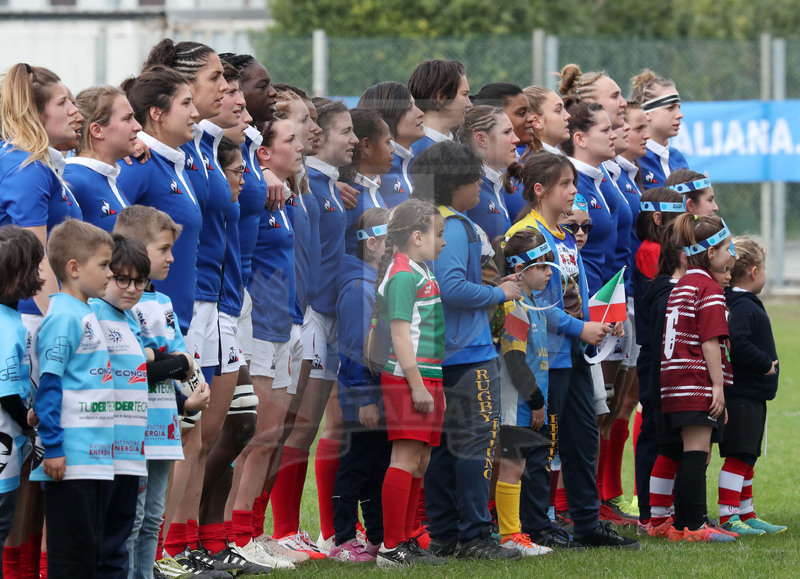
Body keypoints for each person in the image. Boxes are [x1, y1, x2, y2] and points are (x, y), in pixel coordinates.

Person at [505, 151, 637, 549]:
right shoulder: (528, 235)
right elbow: (539, 308)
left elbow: (574, 294)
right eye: (565, 184)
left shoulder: (563, 234)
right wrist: (584, 328)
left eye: (574, 184)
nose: (573, 191)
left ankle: (587, 523)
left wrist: (602, 319)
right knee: (543, 443)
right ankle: (537, 524)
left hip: (576, 353)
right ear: (540, 190)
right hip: (546, 358)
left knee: (583, 439)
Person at [410, 141, 522, 560]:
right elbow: (451, 286)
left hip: (441, 354)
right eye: (474, 176)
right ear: (455, 184)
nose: (481, 183)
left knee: (444, 448)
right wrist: (499, 292)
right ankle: (474, 535)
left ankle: (446, 533)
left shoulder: (428, 220)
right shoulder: (453, 225)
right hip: (468, 353)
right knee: (475, 444)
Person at [275, 99, 357, 556]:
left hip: (326, 318)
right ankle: (282, 530)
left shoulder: (323, 186)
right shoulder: (303, 187)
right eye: (343, 130)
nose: (351, 139)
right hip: (305, 317)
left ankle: (324, 532)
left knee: (309, 431)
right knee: (293, 430)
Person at [111, 205, 210, 579]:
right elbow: (139, 368)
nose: (172, 258)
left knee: (153, 517)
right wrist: (172, 362)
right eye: (164, 249)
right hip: (132, 430)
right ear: (135, 248)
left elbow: (181, 362)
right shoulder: (118, 303)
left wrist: (187, 400)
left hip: (164, 423)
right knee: (132, 518)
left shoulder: (164, 303)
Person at [229, 115, 302, 569]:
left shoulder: (286, 198)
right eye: (291, 139)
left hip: (284, 325)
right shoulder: (256, 198)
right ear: (263, 153)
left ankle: (250, 532)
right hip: (256, 327)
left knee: (270, 436)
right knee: (250, 439)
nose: (300, 146)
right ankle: (233, 533)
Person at [31, 219, 115, 578]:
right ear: (74, 268)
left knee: (90, 549)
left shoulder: (86, 311)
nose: (111, 274)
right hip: (71, 460)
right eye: (104, 265)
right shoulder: (64, 316)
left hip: (95, 459)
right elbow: (49, 386)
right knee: (71, 555)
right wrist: (53, 447)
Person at [371, 200, 447, 567]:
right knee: (404, 458)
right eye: (440, 234)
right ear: (417, 237)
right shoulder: (402, 274)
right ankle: (391, 547)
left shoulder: (418, 268)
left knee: (421, 460)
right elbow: (400, 335)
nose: (444, 242)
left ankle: (407, 538)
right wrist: (416, 384)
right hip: (409, 378)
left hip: (430, 376)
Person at [660, 214, 737, 543]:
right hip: (695, 380)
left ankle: (682, 524)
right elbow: (710, 341)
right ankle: (694, 526)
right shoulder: (709, 288)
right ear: (710, 254)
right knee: (696, 451)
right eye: (727, 247)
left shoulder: (683, 284)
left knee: (694, 451)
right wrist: (717, 386)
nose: (732, 253)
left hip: (675, 382)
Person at [118, 66, 202, 336]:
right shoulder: (137, 162)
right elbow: (108, 236)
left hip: (178, 321)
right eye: (186, 103)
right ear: (157, 113)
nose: (195, 113)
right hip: (147, 326)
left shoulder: (173, 162)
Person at [329, 207, 391, 562]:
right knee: (355, 466)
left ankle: (377, 537)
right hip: (362, 398)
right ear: (373, 245)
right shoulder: (358, 288)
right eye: (391, 242)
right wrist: (366, 398)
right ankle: (342, 538)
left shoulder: (374, 283)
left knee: (376, 468)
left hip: (378, 395)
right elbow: (355, 349)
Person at [89, 235, 152, 578]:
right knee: (98, 539)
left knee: (119, 538)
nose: (131, 288)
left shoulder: (131, 319)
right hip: (102, 453)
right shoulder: (94, 313)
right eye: (121, 279)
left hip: (131, 452)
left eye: (139, 281)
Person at [0, 64, 82, 324]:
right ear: (35, 113)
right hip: (33, 315)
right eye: (63, 103)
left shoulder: (32, 163)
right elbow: (36, 257)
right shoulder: (27, 168)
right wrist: (60, 323)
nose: (74, 111)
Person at [492, 229, 554, 558]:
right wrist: (536, 401)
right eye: (541, 266)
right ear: (520, 270)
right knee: (512, 467)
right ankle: (510, 535)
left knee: (516, 465)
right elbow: (515, 360)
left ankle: (510, 532)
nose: (547, 273)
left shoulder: (532, 304)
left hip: (527, 401)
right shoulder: (516, 306)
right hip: (516, 402)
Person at [718, 238, 786, 535]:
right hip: (742, 394)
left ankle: (746, 513)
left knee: (748, 455)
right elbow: (738, 341)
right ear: (755, 271)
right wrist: (765, 364)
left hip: (751, 395)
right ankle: (729, 516)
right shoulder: (742, 305)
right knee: (738, 455)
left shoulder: (736, 301)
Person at [0, 226, 42, 572]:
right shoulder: (7, 326)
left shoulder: (12, 319)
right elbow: (7, 393)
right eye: (35, 268)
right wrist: (29, 422)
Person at [65, 86, 142, 231]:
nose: (138, 127)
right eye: (127, 119)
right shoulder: (72, 179)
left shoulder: (106, 176)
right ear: (97, 130)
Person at [458, 106, 520, 241]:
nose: (516, 139)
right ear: (481, 139)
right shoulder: (467, 187)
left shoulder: (495, 183)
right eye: (507, 132)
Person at [358, 82, 424, 208]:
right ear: (385, 116)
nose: (420, 113)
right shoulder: (372, 171)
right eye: (409, 107)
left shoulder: (411, 165)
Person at [338, 108, 392, 255]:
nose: (392, 150)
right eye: (387, 142)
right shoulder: (347, 197)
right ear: (366, 146)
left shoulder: (372, 189)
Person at [629, 69, 688, 188]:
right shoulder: (635, 160)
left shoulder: (677, 158)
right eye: (670, 108)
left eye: (679, 107)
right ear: (647, 113)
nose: (680, 115)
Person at [408, 60, 471, 156]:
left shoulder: (456, 146)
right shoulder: (413, 153)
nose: (469, 104)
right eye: (464, 94)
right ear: (441, 98)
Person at [522, 86, 571, 157]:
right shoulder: (528, 162)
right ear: (536, 121)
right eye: (558, 110)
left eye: (564, 108)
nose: (568, 116)